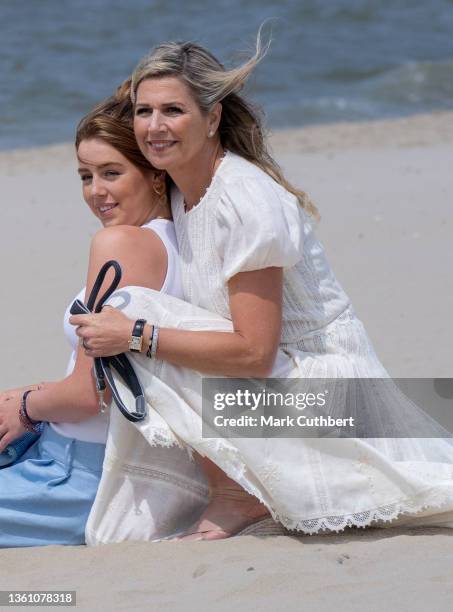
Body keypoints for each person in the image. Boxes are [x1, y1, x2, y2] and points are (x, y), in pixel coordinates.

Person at [71, 35, 453, 542]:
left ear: (212, 118)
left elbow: (254, 352)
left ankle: (236, 495)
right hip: (273, 384)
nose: (154, 126)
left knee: (131, 311)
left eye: (173, 110)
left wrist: (135, 334)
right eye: (144, 111)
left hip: (323, 391)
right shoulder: (186, 192)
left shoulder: (244, 198)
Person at [0, 90, 207, 548]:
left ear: (156, 175)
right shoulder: (181, 242)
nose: (96, 192)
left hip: (73, 478)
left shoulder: (122, 245)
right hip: (63, 456)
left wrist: (24, 404)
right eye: (85, 175)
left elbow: (91, 395)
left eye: (112, 173)